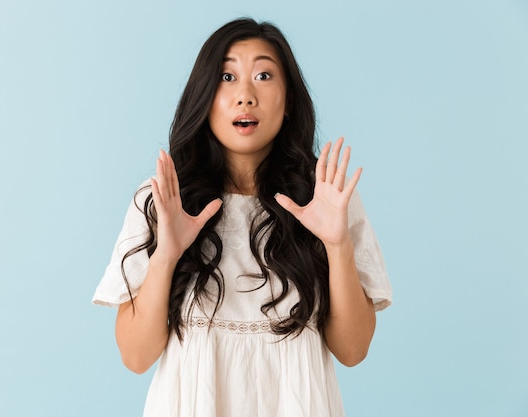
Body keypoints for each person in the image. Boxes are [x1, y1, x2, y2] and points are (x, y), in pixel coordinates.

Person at [93, 18, 392, 417]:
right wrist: (167, 254)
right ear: (204, 96)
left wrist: (336, 245)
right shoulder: (162, 200)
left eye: (264, 75)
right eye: (227, 76)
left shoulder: (326, 198)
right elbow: (135, 356)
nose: (245, 95)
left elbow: (352, 351)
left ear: (288, 102)